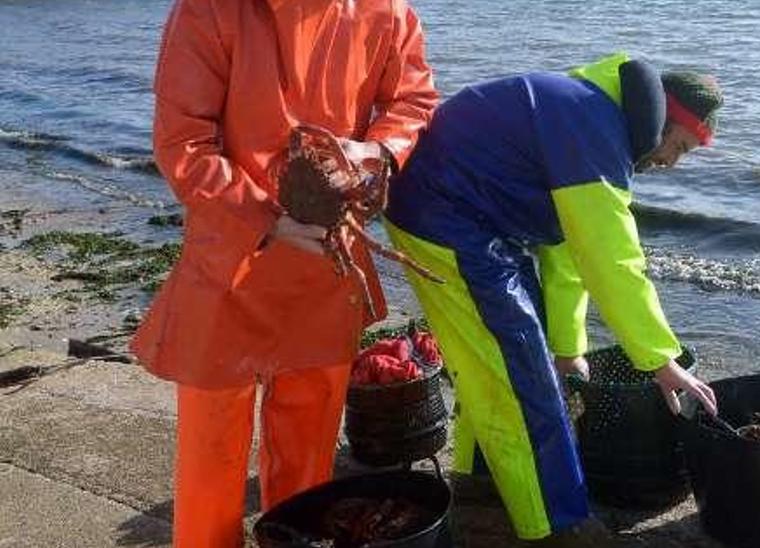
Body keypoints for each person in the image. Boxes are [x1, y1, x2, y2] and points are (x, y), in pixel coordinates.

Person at [129, 0, 438, 545]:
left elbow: (412, 99)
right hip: (229, 259)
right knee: (211, 456)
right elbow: (183, 142)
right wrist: (266, 218)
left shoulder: (386, 12)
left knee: (308, 458)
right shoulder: (208, 12)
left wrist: (375, 152)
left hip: (328, 259)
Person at [383, 52, 722, 544]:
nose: (672, 162)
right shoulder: (594, 132)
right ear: (663, 119)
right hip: (444, 216)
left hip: (475, 218)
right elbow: (613, 261)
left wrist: (568, 350)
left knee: (503, 357)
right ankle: (558, 524)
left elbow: (568, 253)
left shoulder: (594, 115)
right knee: (522, 373)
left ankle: (483, 482)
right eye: (680, 146)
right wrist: (660, 360)